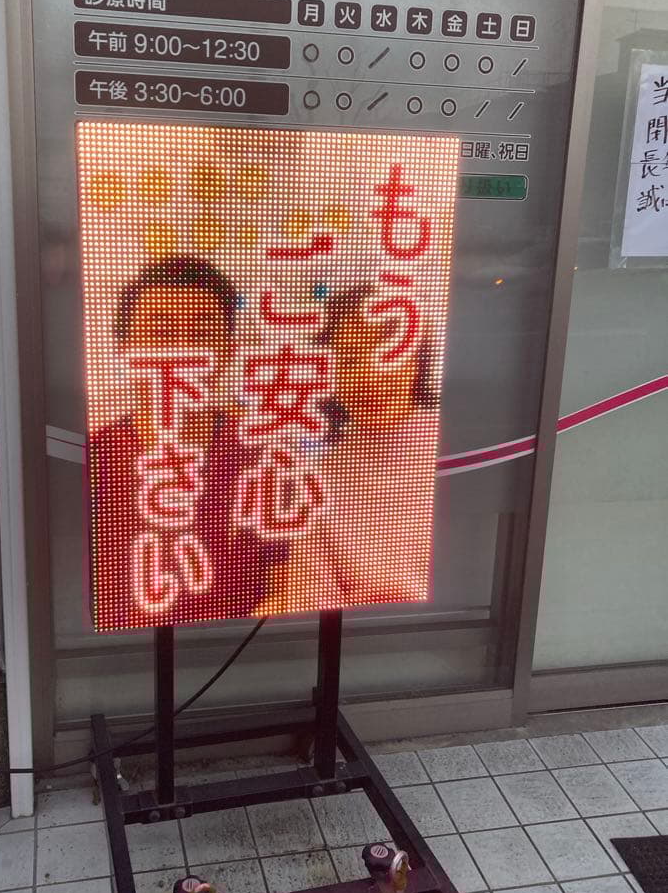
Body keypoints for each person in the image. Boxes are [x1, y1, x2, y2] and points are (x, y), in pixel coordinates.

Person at [89, 255, 286, 629]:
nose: (183, 351)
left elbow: (283, 582)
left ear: (229, 350)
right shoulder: (90, 461)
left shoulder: (263, 457)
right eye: (160, 331)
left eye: (203, 332)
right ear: (123, 350)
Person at [279, 283, 441, 611]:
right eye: (350, 360)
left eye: (388, 351)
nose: (369, 377)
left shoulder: (455, 443)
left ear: (418, 357)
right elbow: (310, 589)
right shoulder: (321, 474)